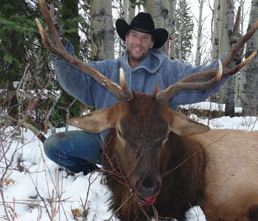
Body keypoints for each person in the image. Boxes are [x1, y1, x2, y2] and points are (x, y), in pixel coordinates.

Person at [44, 12, 235, 173]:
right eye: (134, 36)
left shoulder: (169, 70)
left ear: (152, 43)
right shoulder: (104, 70)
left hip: (153, 151)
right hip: (110, 146)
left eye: (145, 38)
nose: (138, 42)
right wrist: (60, 53)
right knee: (54, 146)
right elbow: (76, 81)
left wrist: (230, 60)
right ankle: (96, 176)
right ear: (126, 38)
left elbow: (201, 79)